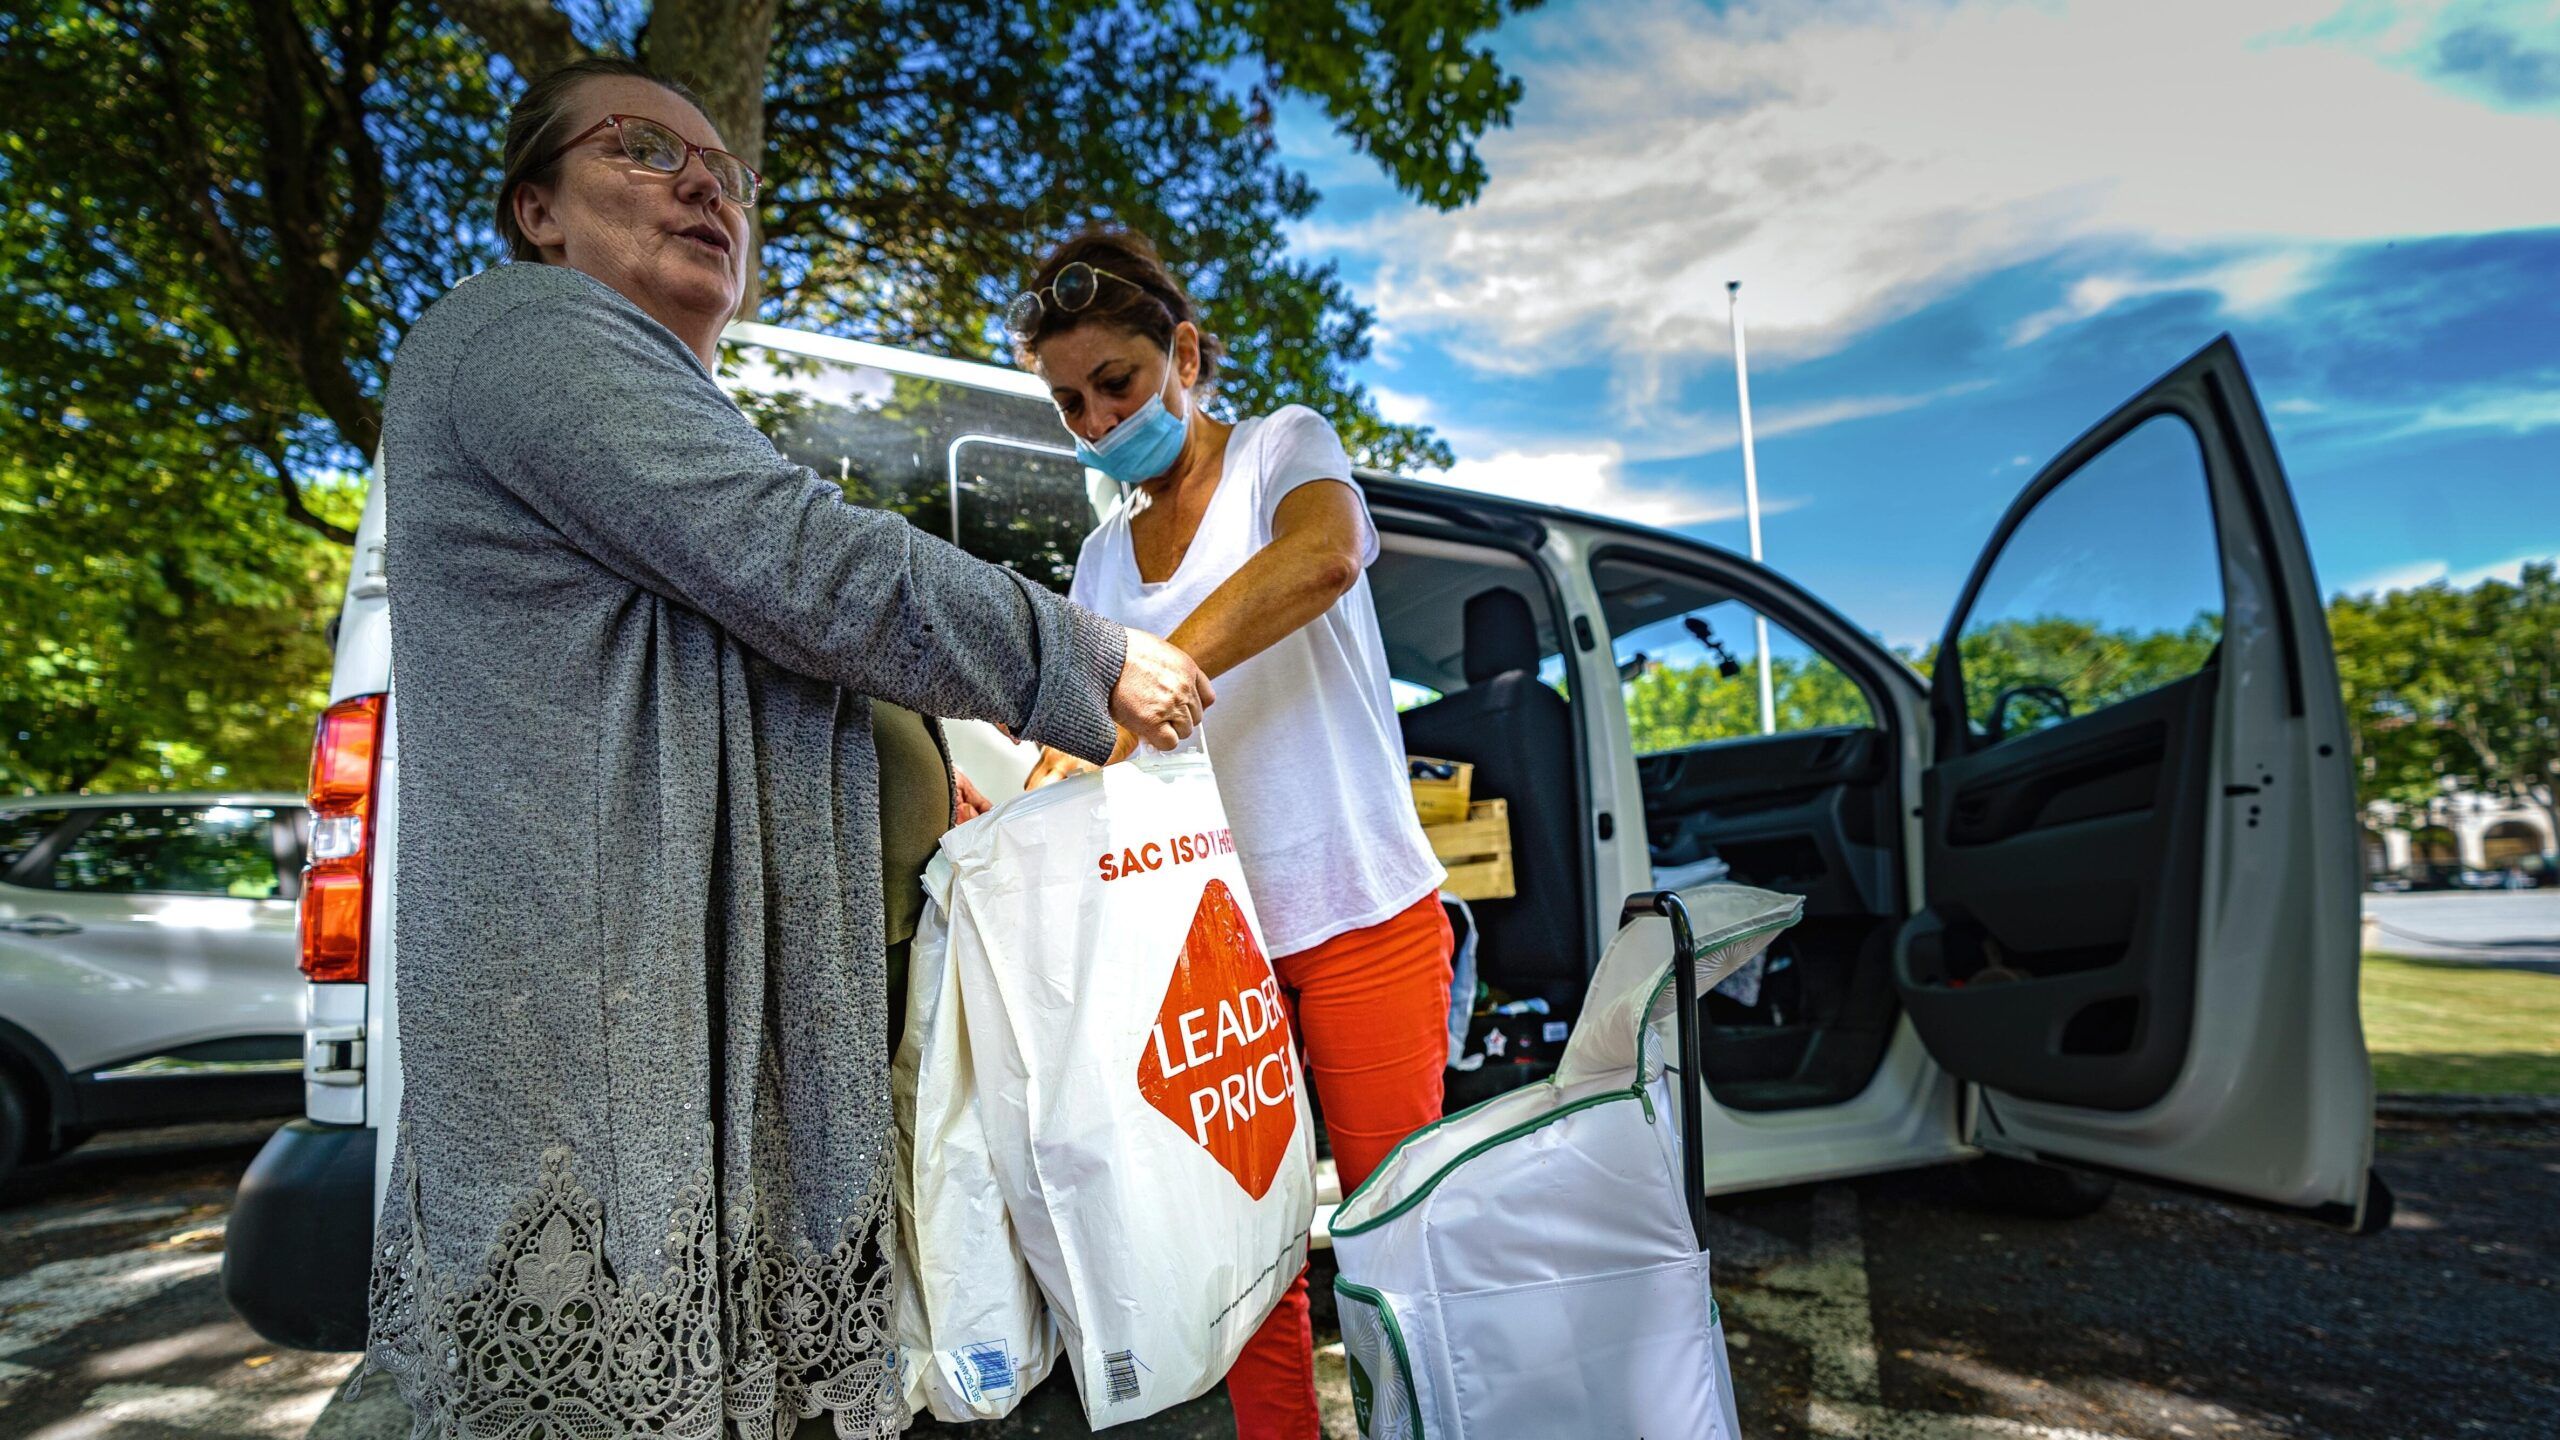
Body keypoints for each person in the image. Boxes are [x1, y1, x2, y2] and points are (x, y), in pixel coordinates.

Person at [361, 61, 1212, 1440]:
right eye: (645, 150)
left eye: (724, 169)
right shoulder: (520, 332)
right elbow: (801, 559)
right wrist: (1095, 662)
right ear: (537, 209)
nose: (704, 182)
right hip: (608, 1045)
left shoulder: (652, 397)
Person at [1015, 228, 1452, 1439]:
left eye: (1118, 384)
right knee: (1245, 1263)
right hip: (1212, 950)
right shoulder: (1103, 554)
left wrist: (1142, 673)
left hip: (1362, 914)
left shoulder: (1281, 450)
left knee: (1388, 1241)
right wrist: (1013, 797)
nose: (1099, 421)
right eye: (1070, 404)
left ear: (1186, 354)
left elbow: (1325, 557)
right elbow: (1091, 737)